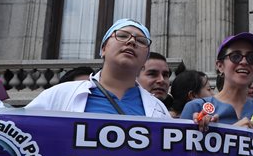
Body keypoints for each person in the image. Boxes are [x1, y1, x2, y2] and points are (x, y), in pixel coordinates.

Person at [27, 19, 170, 117]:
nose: (131, 41)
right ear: (103, 49)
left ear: (145, 59)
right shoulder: (59, 95)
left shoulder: (160, 111)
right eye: (122, 36)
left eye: (141, 41)